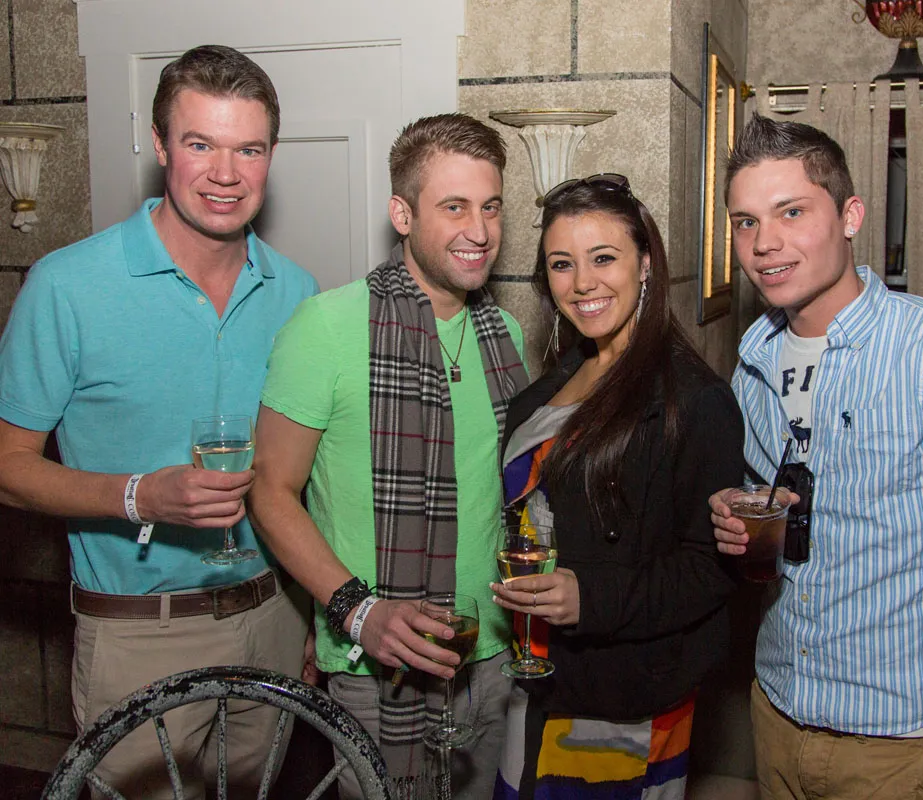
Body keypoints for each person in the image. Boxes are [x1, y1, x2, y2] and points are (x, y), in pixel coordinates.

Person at [0, 45, 317, 797]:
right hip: (141, 633)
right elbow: (7, 466)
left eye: (249, 149)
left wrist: (313, 619)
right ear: (160, 145)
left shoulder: (297, 292)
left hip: (274, 617)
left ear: (272, 156)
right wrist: (139, 496)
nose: (226, 173)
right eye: (201, 144)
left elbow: (305, 475)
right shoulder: (67, 286)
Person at [710, 114, 923, 799]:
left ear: (850, 216)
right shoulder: (753, 361)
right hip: (776, 716)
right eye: (746, 222)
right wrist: (736, 514)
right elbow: (774, 529)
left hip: (904, 745)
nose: (764, 243)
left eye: (791, 212)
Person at [248, 112, 530, 799]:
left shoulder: (505, 333)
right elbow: (269, 490)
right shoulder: (325, 326)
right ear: (402, 214)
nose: (480, 230)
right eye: (454, 207)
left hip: (494, 654)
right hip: (377, 664)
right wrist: (357, 610)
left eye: (491, 206)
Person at [490, 174, 744, 798]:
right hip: (538, 678)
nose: (582, 283)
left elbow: (710, 570)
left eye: (603, 258)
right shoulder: (552, 385)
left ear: (646, 263)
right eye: (562, 264)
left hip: (626, 697)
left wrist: (591, 597)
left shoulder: (694, 400)